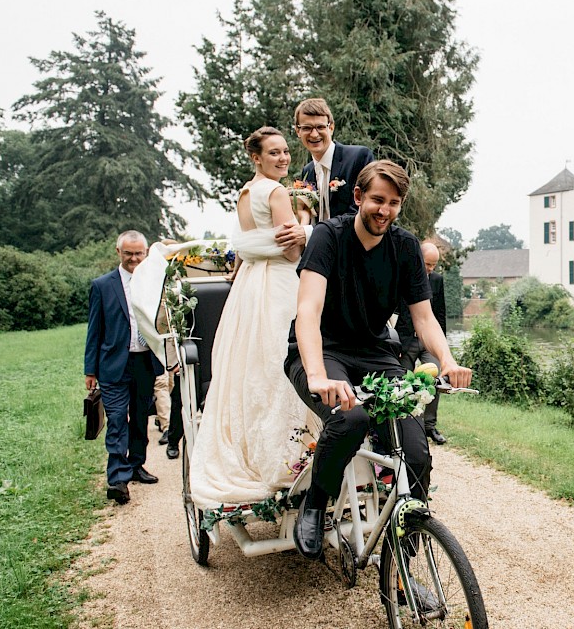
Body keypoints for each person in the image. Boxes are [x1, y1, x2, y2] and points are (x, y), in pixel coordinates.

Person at [284, 159, 472, 560]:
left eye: (393, 202)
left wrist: (448, 359)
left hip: (374, 353)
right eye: (376, 200)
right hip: (322, 350)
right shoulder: (327, 237)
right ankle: (316, 503)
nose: (384, 210)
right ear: (357, 197)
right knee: (350, 418)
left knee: (416, 453)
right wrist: (318, 376)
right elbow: (308, 310)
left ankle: (402, 562)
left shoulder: (405, 247)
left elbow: (423, 317)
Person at [189, 126, 314, 508]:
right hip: (278, 283)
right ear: (256, 157)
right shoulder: (276, 192)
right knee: (286, 359)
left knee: (253, 367)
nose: (282, 158)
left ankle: (250, 451)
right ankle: (290, 460)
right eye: (273, 153)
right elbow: (292, 252)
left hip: (250, 286)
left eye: (284, 152)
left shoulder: (245, 191)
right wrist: (311, 230)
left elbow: (248, 244)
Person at [85, 230, 165, 505]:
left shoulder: (155, 282)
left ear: (145, 253)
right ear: (118, 252)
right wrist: (90, 370)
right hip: (113, 364)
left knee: (140, 417)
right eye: (128, 253)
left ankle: (137, 465)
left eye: (138, 253)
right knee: (118, 419)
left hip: (144, 361)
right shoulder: (102, 285)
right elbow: (94, 330)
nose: (133, 258)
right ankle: (118, 477)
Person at [273, 97, 374, 253]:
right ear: (298, 131)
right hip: (320, 255)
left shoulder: (358, 157)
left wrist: (309, 232)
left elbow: (360, 212)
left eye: (320, 127)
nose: (314, 134)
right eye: (307, 128)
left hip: (354, 252)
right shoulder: (307, 172)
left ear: (331, 127)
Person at [395, 242, 448, 444]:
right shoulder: (403, 276)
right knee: (402, 383)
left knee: (436, 378)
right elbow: (394, 314)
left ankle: (429, 426)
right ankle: (405, 427)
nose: (431, 268)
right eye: (428, 263)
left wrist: (442, 347)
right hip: (405, 341)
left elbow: (440, 315)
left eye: (434, 265)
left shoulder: (437, 280)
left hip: (428, 342)